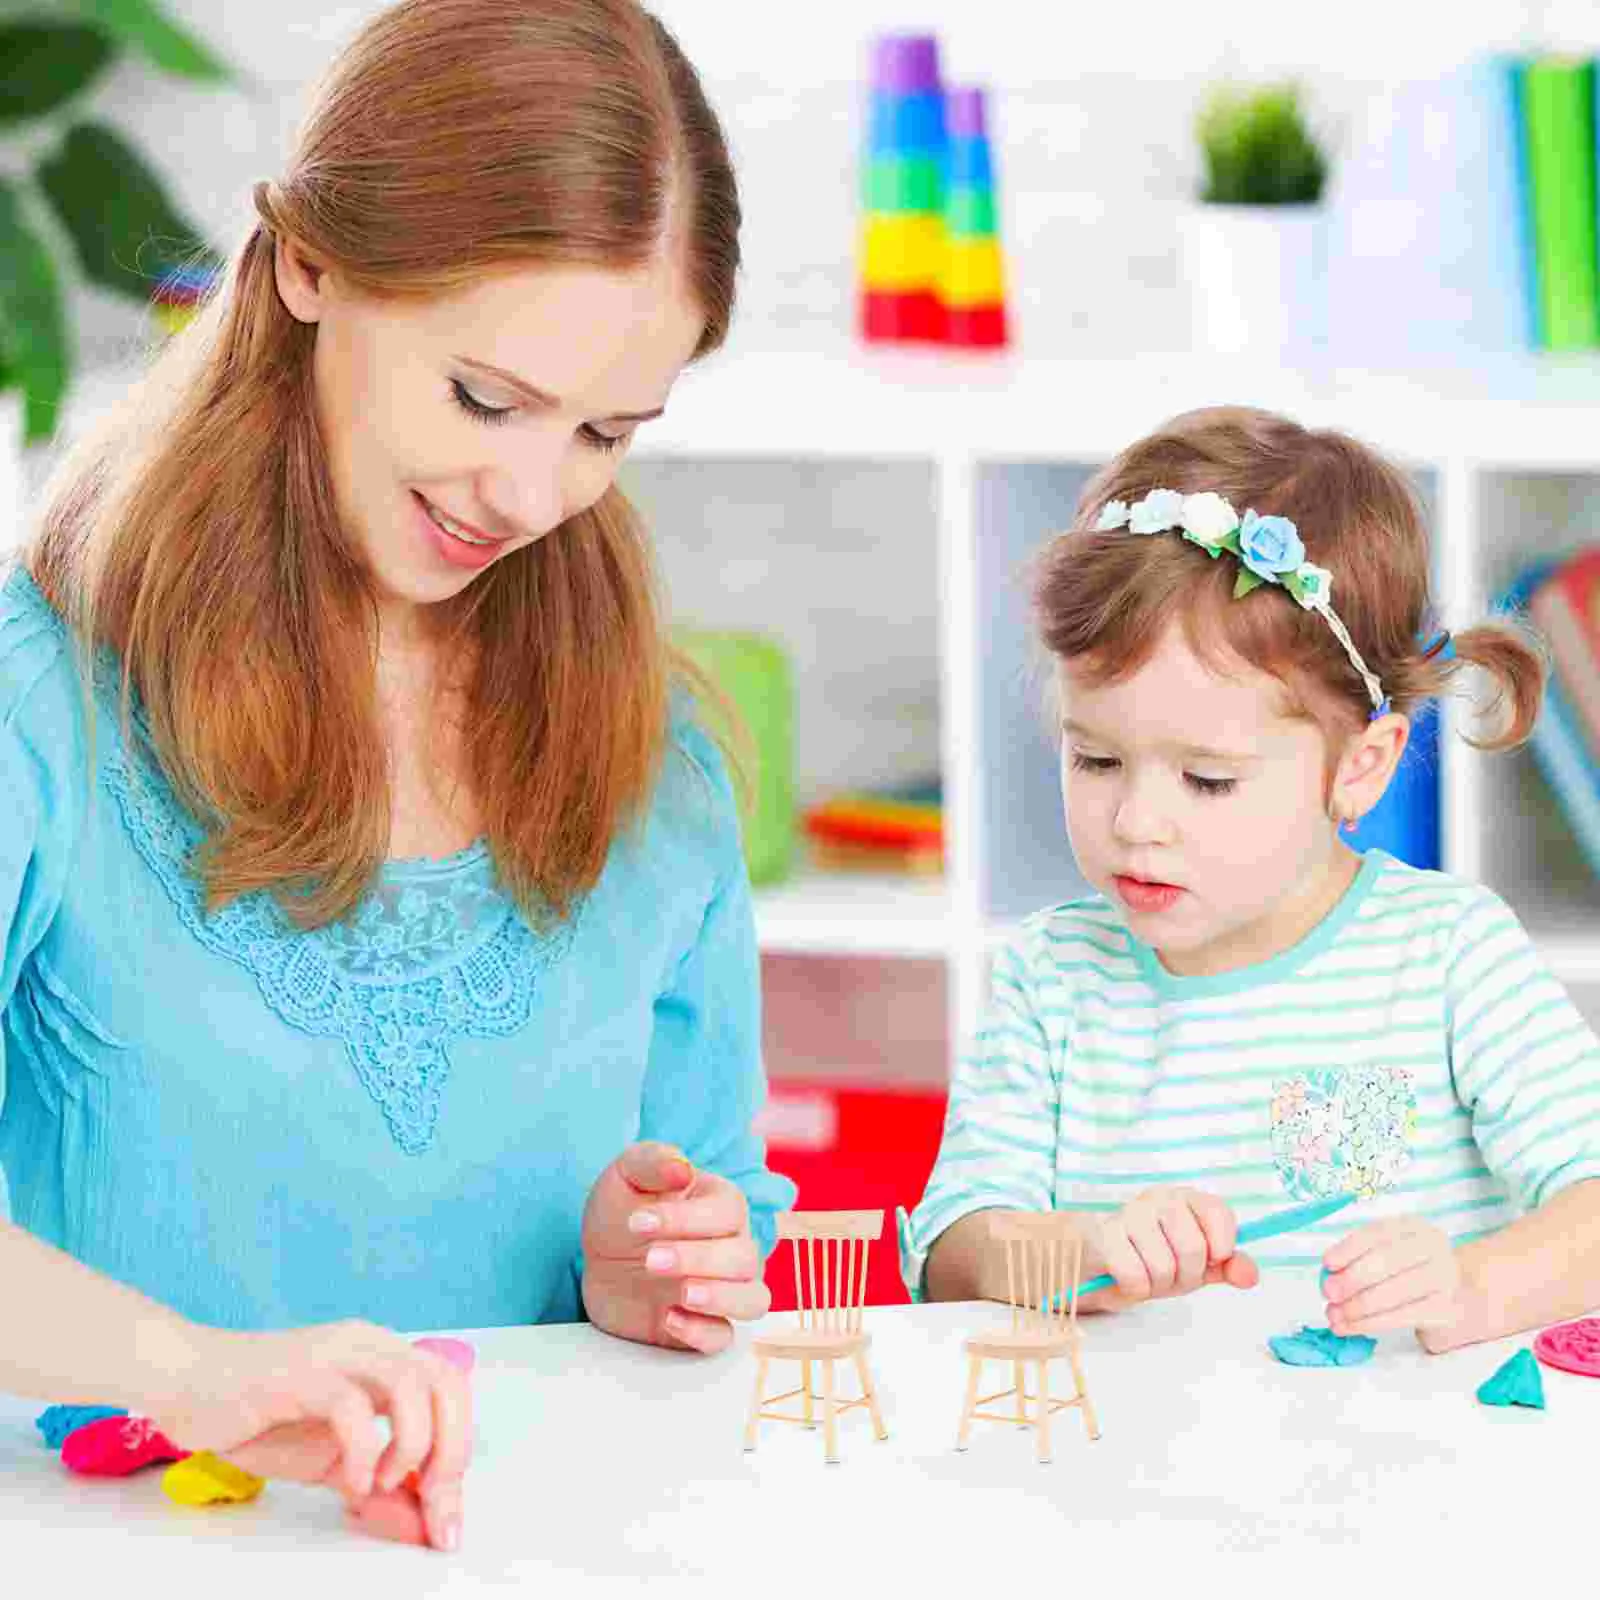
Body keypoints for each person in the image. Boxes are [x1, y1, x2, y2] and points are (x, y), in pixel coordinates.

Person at [0, 0, 794, 1553]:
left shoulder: (653, 757)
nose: (531, 492)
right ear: (311, 265)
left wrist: (648, 1278)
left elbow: (717, 1213)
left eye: (608, 434)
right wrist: (200, 1380)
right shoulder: (47, 693)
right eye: (485, 400)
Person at [901, 405, 1600, 1353]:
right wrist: (1082, 1251)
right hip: (1124, 1476)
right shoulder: (1051, 977)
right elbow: (955, 1254)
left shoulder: (1446, 956)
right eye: (1095, 760)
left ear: (1360, 765)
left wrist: (1470, 1285)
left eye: (1207, 779)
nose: (1136, 821)